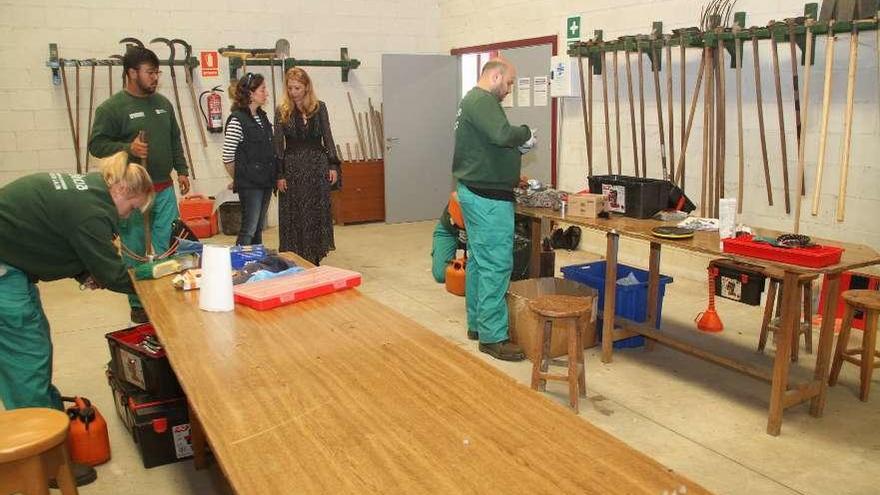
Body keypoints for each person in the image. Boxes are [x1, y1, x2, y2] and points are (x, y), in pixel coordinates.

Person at [0, 152, 154, 486]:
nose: (128, 217)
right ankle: (44, 465)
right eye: (132, 208)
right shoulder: (92, 212)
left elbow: (57, 233)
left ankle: (48, 431)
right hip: (4, 270)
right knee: (26, 359)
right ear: (123, 190)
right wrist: (154, 287)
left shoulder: (90, 187)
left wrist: (83, 271)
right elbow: (113, 274)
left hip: (12, 262)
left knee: (31, 348)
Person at [88, 46, 190, 324]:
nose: (155, 78)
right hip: (131, 193)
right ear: (131, 73)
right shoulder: (112, 108)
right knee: (134, 247)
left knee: (167, 244)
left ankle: (164, 293)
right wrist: (128, 147)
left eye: (157, 73)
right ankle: (138, 301)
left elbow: (174, 140)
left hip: (163, 188)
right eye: (150, 72)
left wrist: (181, 170)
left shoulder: (163, 104)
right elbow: (96, 145)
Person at [452, 58, 536, 361]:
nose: (509, 89)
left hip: (475, 192)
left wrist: (515, 148)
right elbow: (502, 134)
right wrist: (525, 133)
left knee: (479, 261)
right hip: (488, 198)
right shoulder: (482, 100)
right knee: (496, 265)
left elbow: (493, 140)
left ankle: (478, 324)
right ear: (496, 76)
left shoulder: (472, 102)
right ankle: (493, 336)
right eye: (509, 82)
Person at [274, 67, 340, 265]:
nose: (293, 92)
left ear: (306, 87)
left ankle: (315, 255)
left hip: (317, 166)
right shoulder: (282, 110)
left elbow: (327, 137)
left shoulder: (320, 107)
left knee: (315, 210)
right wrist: (280, 174)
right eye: (290, 88)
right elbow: (278, 144)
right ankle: (296, 257)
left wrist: (333, 165)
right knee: (296, 212)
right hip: (293, 167)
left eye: (298, 88)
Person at [222, 73, 275, 246]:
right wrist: (238, 178)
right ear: (251, 93)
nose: (266, 93)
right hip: (250, 184)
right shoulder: (237, 120)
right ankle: (238, 265)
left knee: (258, 228)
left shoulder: (262, 117)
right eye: (263, 89)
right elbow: (228, 156)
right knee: (249, 229)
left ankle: (256, 263)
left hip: (265, 181)